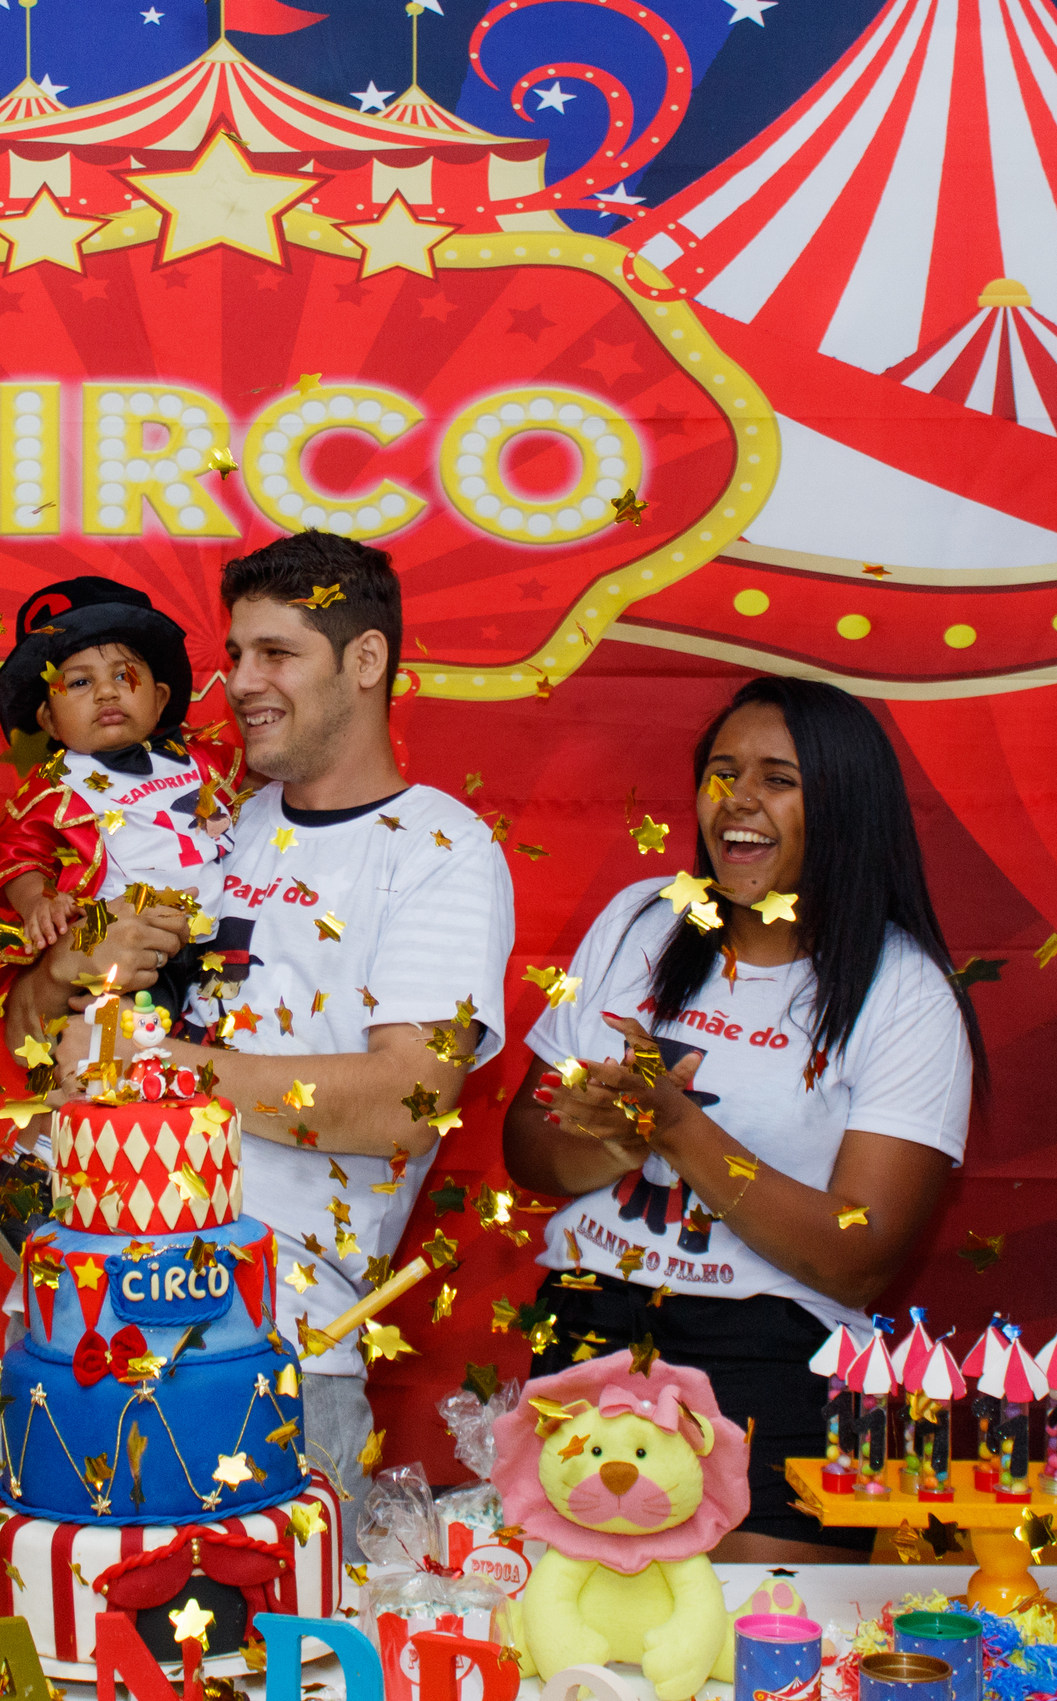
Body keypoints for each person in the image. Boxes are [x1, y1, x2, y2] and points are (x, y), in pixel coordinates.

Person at [50, 531, 515, 1543]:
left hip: (272, 1344)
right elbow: (38, 1030)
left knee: (275, 1631)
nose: (241, 683)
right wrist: (70, 971)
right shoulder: (210, 819)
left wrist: (157, 1069)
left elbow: (409, 1102)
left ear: (366, 659)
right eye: (235, 655)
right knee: (65, 1619)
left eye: (276, 653)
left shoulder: (441, 850)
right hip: (83, 1319)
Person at [503, 675, 985, 1563]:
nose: (738, 798)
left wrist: (679, 1130)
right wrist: (614, 1138)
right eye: (722, 772)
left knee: (760, 1629)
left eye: (779, 779)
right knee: (564, 1623)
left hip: (774, 1354)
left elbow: (859, 1256)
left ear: (844, 806)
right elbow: (526, 1151)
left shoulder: (906, 993)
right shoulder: (641, 920)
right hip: (589, 1327)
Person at [0, 576, 247, 1034]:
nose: (106, 692)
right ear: (50, 720)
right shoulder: (55, 787)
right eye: (80, 682)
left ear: (160, 698)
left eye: (124, 676)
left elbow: (267, 791)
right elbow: (17, 855)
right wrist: (38, 901)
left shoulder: (203, 757)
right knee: (127, 1032)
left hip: (222, 934)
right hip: (136, 948)